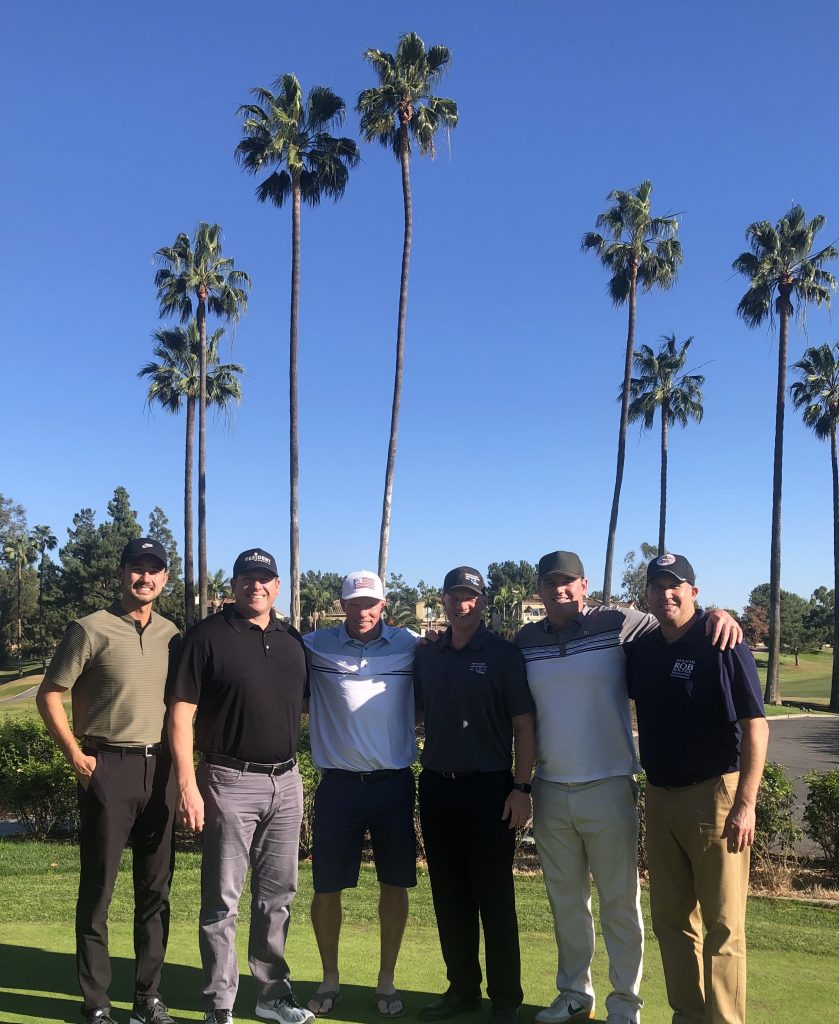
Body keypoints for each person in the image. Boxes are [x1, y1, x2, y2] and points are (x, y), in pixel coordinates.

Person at [514, 551, 742, 1024]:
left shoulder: (619, 622)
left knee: (620, 902)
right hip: (551, 787)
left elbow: (679, 617)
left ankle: (625, 1004)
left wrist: (719, 612)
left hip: (610, 783)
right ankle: (575, 994)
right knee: (566, 902)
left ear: (583, 585)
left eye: (569, 582)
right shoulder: (524, 640)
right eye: (550, 583)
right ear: (538, 590)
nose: (560, 590)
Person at [36, 537, 180, 1024]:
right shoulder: (89, 629)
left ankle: (148, 998)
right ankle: (97, 1002)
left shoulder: (172, 634)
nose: (145, 578)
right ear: (121, 575)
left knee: (155, 890)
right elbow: (50, 694)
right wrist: (76, 755)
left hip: (159, 771)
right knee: (99, 890)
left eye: (153, 570)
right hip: (107, 767)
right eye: (136, 569)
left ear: (165, 578)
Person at [167, 548, 314, 1024]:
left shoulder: (292, 640)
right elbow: (181, 714)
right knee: (223, 898)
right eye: (248, 578)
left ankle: (272, 995)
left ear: (277, 586)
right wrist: (188, 785)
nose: (257, 586)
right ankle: (219, 1003)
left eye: (265, 579)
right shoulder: (206, 636)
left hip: (286, 780)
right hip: (228, 779)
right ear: (233, 585)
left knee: (278, 896)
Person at [626, 553, 768, 1024]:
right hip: (660, 796)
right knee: (671, 921)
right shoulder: (643, 650)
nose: (667, 594)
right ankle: (688, 1015)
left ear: (693, 592)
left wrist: (746, 803)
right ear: (646, 594)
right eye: (658, 587)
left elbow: (756, 727)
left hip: (716, 795)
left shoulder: (720, 641)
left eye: (676, 586)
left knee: (724, 925)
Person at [414, 566, 536, 1024]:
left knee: (494, 895)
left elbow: (524, 725)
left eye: (470, 596)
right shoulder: (428, 655)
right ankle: (462, 988)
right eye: (454, 596)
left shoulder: (504, 654)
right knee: (448, 894)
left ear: (482, 602)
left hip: (490, 788)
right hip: (437, 786)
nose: (462, 604)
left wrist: (522, 787)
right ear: (443, 600)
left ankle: (505, 998)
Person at [303, 570, 419, 1018]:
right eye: (355, 603)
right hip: (339, 786)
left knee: (395, 883)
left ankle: (385, 979)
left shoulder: (411, 644)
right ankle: (330, 977)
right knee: (327, 886)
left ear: (383, 605)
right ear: (343, 604)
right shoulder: (313, 646)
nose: (363, 611)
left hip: (393, 784)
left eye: (371, 603)